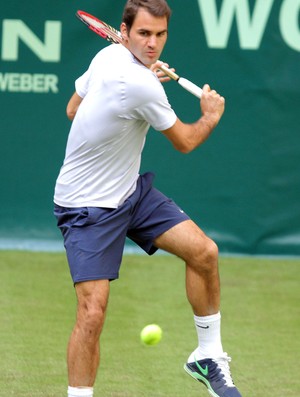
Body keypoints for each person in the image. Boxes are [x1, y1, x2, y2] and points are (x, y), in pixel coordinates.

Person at [54, 1, 242, 396]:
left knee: (203, 252)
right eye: (143, 34)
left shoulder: (109, 56)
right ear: (124, 31)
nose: (153, 43)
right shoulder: (136, 82)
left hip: (129, 191)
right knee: (92, 312)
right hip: (86, 205)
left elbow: (73, 108)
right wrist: (209, 115)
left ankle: (207, 356)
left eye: (160, 34)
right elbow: (186, 142)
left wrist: (141, 82)